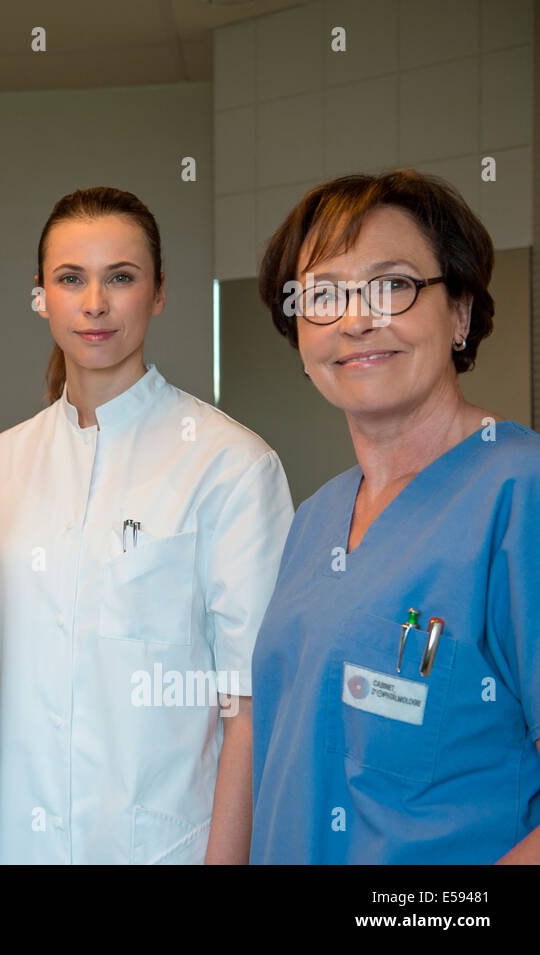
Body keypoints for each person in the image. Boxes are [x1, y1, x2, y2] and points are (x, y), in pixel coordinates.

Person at [0, 187, 293, 864]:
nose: (94, 303)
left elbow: (253, 709)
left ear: (160, 292)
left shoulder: (231, 466)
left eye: (120, 277)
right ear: (41, 296)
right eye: (70, 279)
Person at [251, 169, 540, 864]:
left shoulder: (519, 493)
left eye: (392, 286)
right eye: (322, 295)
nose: (355, 319)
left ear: (461, 312)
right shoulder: (315, 521)